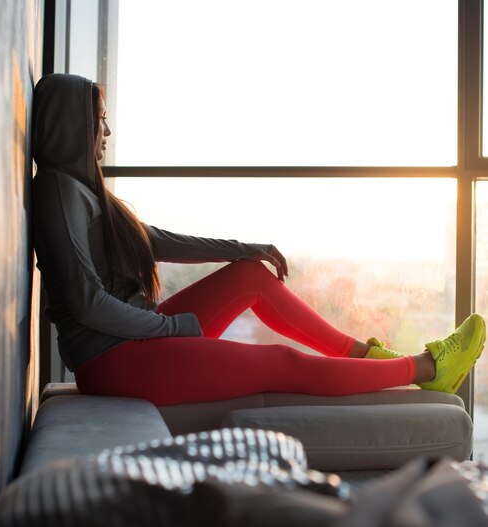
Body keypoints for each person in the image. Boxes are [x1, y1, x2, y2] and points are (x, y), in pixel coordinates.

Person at [31, 73, 486, 406]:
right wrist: (173, 329)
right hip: (114, 361)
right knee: (281, 362)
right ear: (71, 124)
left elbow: (153, 241)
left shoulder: (83, 191)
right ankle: (427, 369)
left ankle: (370, 355)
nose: (106, 133)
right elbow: (88, 303)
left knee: (250, 275)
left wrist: (240, 249)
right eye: (100, 120)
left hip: (133, 338)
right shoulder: (56, 188)